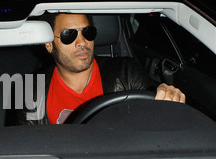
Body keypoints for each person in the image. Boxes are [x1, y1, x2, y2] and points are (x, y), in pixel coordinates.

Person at [20, 13, 186, 125]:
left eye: (88, 32)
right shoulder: (32, 91)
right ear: (49, 44)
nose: (82, 42)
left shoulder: (126, 73)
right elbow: (27, 150)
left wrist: (166, 98)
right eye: (68, 35)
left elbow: (157, 120)